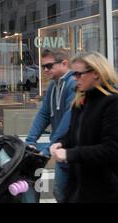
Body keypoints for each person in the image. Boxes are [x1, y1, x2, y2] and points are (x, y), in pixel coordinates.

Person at [50, 51, 118, 203]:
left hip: (105, 190)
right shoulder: (81, 100)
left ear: (96, 73)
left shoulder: (112, 103)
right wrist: (61, 143)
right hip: (79, 186)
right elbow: (74, 134)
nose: (75, 78)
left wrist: (69, 154)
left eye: (79, 74)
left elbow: (112, 149)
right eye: (73, 74)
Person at [25, 48, 76, 202]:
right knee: (61, 191)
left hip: (74, 148)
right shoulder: (54, 85)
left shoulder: (73, 84)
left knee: (66, 191)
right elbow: (44, 114)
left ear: (64, 63)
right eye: (43, 67)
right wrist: (30, 141)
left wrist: (48, 148)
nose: (45, 70)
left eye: (49, 66)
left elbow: (69, 119)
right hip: (60, 148)